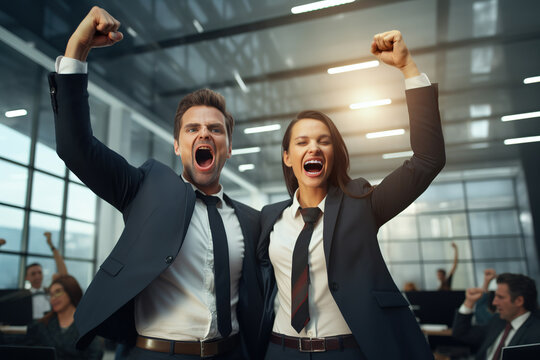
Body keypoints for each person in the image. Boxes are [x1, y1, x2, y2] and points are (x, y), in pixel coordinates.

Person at [48, 6, 262, 359]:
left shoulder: (252, 222)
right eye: (192, 129)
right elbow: (76, 148)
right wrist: (77, 50)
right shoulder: (146, 187)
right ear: (178, 145)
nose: (204, 133)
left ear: (228, 148)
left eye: (215, 129)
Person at [257, 30, 445, 359]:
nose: (313, 146)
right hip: (279, 350)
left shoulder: (363, 204)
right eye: (302, 142)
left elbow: (428, 160)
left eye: (323, 140)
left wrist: (408, 68)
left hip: (345, 351)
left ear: (334, 153)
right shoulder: (268, 219)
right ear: (287, 157)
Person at [452, 273, 540, 360]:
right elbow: (462, 333)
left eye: (500, 297)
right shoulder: (497, 321)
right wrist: (469, 302)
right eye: (495, 296)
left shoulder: (535, 333)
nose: (494, 302)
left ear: (519, 301)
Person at [25, 275, 103, 360]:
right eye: (51, 295)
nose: (53, 298)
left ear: (71, 291)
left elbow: (95, 354)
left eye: (58, 292)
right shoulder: (42, 325)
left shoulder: (88, 325)